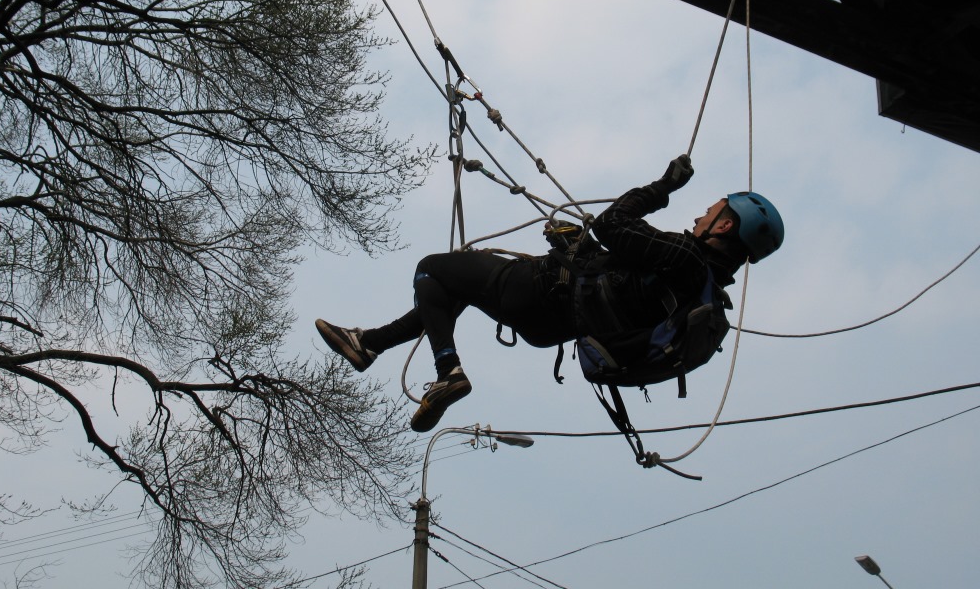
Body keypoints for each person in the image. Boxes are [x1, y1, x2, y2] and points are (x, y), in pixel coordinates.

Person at [315, 155, 783, 433]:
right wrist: (577, 247)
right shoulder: (704, 290)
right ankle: (368, 343)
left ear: (724, 226)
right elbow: (621, 277)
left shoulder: (684, 256)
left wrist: (663, 187)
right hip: (554, 325)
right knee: (452, 289)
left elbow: (613, 223)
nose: (702, 213)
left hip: (540, 292)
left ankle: (446, 371)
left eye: (712, 211)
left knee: (432, 271)